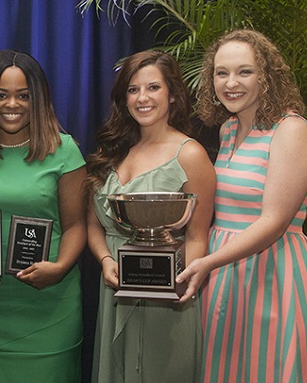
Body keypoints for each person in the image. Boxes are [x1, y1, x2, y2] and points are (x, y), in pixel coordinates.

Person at [176, 29, 307, 382]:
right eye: (221, 73)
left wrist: (208, 261)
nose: (230, 83)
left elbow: (274, 221)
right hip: (226, 274)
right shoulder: (228, 130)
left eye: (244, 71)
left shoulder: (290, 129)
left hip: (275, 274)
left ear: (266, 77)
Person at [0, 49, 87, 382]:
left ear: (37, 99)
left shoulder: (64, 149)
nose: (12, 104)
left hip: (52, 303)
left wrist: (60, 268)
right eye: (1, 95)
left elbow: (76, 226)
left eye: (23, 96)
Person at [85, 50, 216, 382]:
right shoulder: (112, 153)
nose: (142, 98)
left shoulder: (190, 154)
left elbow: (199, 236)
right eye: (132, 89)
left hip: (167, 300)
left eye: (153, 87)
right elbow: (93, 224)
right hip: (114, 290)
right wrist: (104, 261)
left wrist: (175, 282)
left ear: (172, 94)